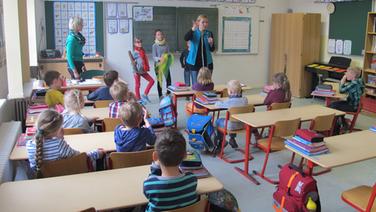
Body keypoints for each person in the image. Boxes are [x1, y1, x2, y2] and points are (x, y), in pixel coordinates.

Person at [26, 110, 103, 178]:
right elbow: (80, 158)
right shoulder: (59, 145)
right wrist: (96, 153)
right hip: (65, 178)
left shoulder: (29, 145)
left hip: (45, 183)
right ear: (56, 130)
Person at [143, 129, 198, 212]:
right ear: (185, 156)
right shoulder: (192, 179)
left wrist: (155, 168)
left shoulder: (149, 185)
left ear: (155, 156)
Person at [329, 67, 364, 133]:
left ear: (353, 75)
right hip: (355, 104)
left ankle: (335, 129)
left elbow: (341, 91)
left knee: (333, 107)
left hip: (353, 106)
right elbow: (350, 88)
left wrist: (342, 81)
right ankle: (343, 123)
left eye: (347, 73)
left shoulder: (354, 84)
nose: (346, 74)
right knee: (333, 104)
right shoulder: (359, 80)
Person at [214, 80, 248, 149]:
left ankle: (222, 141)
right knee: (233, 117)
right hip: (243, 124)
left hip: (231, 126)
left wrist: (218, 101)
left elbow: (217, 105)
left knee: (218, 121)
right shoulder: (245, 100)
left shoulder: (229, 102)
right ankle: (232, 139)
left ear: (230, 92)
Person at [184, 15, 215, 85]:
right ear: (198, 23)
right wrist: (192, 29)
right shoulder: (193, 32)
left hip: (207, 62)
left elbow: (212, 49)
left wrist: (211, 44)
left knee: (207, 84)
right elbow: (186, 38)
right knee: (196, 85)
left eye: (206, 22)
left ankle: (205, 96)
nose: (205, 24)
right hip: (194, 63)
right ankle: (197, 96)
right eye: (203, 22)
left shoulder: (209, 33)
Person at [132, 38, 155, 104]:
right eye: (138, 42)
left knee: (151, 81)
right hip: (137, 71)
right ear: (135, 44)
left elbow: (144, 61)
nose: (140, 43)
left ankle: (145, 95)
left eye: (140, 42)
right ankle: (138, 99)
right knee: (138, 85)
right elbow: (132, 63)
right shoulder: (135, 53)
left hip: (142, 70)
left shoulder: (142, 51)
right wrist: (135, 71)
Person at [152, 29, 171, 99]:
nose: (160, 36)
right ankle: (160, 95)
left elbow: (169, 53)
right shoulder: (154, 45)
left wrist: (167, 56)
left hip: (165, 64)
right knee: (159, 80)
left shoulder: (166, 44)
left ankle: (168, 93)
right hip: (158, 65)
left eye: (161, 34)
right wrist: (160, 58)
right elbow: (154, 57)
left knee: (168, 80)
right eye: (158, 34)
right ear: (155, 36)